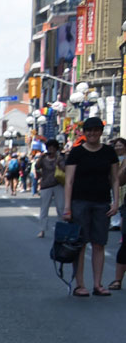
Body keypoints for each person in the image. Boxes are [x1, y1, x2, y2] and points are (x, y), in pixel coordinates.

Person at [62, 116, 119, 297]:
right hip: (79, 202)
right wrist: (67, 207)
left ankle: (97, 284)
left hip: (102, 202)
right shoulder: (77, 152)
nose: (92, 134)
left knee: (99, 243)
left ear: (101, 132)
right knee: (80, 244)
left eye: (96, 130)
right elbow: (69, 181)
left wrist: (116, 201)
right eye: (89, 131)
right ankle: (80, 285)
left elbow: (115, 179)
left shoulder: (109, 152)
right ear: (84, 133)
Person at [35, 140, 65, 238]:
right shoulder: (44, 158)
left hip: (58, 184)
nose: (51, 149)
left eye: (53, 147)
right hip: (45, 185)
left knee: (60, 208)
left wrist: (59, 162)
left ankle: (61, 230)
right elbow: (37, 166)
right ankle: (42, 230)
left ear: (56, 148)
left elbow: (65, 169)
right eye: (49, 147)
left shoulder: (60, 158)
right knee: (44, 209)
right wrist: (40, 157)